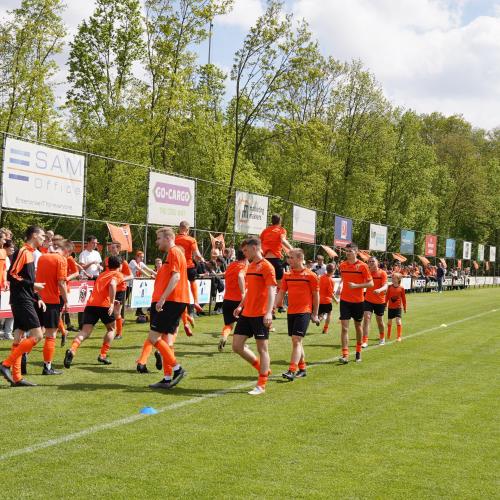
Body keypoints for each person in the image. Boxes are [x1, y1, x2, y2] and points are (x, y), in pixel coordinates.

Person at [137, 227, 188, 389]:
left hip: (171, 301)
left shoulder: (174, 252)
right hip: (174, 300)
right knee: (166, 340)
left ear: (168, 238)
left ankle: (177, 369)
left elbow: (176, 277)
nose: (156, 241)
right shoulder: (174, 253)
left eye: (159, 238)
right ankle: (167, 378)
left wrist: (162, 299)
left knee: (153, 338)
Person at [0, 226, 46, 387]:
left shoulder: (31, 253)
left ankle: (17, 378)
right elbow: (12, 274)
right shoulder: (24, 251)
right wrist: (33, 285)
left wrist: (37, 297)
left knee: (18, 337)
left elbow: (26, 278)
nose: (44, 238)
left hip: (24, 298)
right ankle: (6, 364)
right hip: (21, 300)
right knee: (38, 335)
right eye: (42, 235)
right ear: (34, 236)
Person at [232, 238, 277, 396]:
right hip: (247, 313)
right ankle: (262, 368)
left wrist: (269, 312)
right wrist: (240, 306)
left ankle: (261, 384)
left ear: (255, 248)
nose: (244, 253)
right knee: (237, 346)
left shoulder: (267, 266)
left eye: (245, 250)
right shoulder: (250, 266)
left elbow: (272, 290)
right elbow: (250, 290)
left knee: (262, 349)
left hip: (260, 314)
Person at [63, 255, 123, 368]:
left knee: (85, 332)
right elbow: (112, 284)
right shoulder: (117, 274)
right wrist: (111, 303)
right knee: (111, 329)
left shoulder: (102, 274)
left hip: (91, 304)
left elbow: (102, 290)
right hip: (104, 305)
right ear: (119, 265)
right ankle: (103, 355)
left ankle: (72, 349)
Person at [275, 248, 319, 381]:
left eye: (291, 257)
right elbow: (281, 292)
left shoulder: (311, 275)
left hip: (304, 311)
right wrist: (273, 307)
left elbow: (316, 296)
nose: (288, 260)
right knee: (297, 341)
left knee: (296, 340)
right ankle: (303, 369)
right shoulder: (287, 275)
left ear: (300, 259)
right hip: (291, 312)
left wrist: (315, 314)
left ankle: (292, 370)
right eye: (288, 257)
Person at [335, 243, 373, 364]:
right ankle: (345, 355)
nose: (348, 253)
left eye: (350, 251)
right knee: (344, 328)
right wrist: (339, 286)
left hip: (358, 301)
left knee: (358, 326)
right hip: (344, 301)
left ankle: (358, 352)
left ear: (356, 252)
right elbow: (343, 278)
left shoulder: (363, 266)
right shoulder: (342, 265)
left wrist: (357, 286)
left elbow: (370, 284)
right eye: (347, 251)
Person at [35, 243, 68, 375]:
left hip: (38, 298)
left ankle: (22, 355)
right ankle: (47, 367)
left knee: (36, 333)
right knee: (50, 335)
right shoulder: (61, 259)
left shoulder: (42, 257)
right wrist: (66, 300)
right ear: (65, 250)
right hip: (52, 301)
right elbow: (61, 283)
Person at [175, 221, 205, 335]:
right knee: (193, 282)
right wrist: (201, 259)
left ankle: (185, 322)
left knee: (181, 297)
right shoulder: (191, 239)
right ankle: (196, 301)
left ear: (179, 228)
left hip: (178, 267)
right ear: (188, 230)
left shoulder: (174, 239)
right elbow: (196, 253)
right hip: (189, 266)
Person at [218, 249, 247, 352]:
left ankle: (224, 336)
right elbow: (240, 276)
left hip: (227, 300)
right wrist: (243, 292)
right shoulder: (244, 266)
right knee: (243, 325)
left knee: (229, 325)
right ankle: (242, 344)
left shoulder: (230, 265)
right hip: (239, 301)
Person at [104, 242, 134, 340]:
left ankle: (119, 333)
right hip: (109, 288)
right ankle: (114, 327)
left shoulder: (123, 261)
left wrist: (121, 279)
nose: (111, 249)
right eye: (110, 247)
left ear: (118, 249)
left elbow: (131, 276)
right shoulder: (107, 260)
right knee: (109, 311)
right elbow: (106, 273)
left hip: (120, 289)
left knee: (116, 312)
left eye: (113, 247)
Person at [259, 214, 292, 293]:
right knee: (281, 286)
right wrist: (292, 249)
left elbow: (259, 242)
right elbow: (283, 241)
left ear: (272, 221)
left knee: (265, 284)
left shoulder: (265, 230)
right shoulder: (281, 230)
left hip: (266, 261)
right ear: (280, 221)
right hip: (276, 260)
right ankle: (279, 300)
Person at [362, 257, 388, 347]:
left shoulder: (382, 273)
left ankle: (382, 337)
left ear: (377, 263)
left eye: (373, 261)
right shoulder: (367, 273)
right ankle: (365, 341)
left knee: (379, 321)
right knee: (366, 318)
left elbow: (385, 286)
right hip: (368, 300)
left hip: (380, 301)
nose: (371, 263)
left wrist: (379, 290)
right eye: (369, 261)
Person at [386, 273, 407, 342]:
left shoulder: (401, 288)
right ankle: (388, 335)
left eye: (394, 278)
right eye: (392, 278)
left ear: (398, 279)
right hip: (390, 308)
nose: (392, 279)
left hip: (398, 308)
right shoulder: (389, 287)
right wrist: (385, 305)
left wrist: (405, 307)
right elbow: (387, 296)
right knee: (389, 322)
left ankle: (399, 336)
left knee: (398, 321)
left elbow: (404, 299)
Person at [318, 263, 337, 334]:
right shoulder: (331, 280)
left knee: (320, 314)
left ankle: (319, 319)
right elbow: (330, 293)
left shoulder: (321, 277)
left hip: (320, 299)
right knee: (329, 314)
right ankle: (325, 329)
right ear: (334, 270)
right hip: (327, 300)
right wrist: (336, 300)